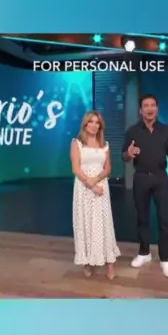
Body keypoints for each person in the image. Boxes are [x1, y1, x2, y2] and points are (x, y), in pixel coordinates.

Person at [122, 94, 168, 277]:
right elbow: (124, 156)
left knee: (164, 220)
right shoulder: (132, 132)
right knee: (142, 218)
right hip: (141, 177)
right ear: (140, 110)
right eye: (146, 106)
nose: (149, 108)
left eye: (153, 105)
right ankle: (144, 252)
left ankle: (165, 259)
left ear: (157, 108)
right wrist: (128, 153)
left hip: (160, 177)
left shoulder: (166, 130)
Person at [71, 110, 120, 280]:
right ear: (85, 125)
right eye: (90, 122)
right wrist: (90, 184)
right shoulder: (77, 143)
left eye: (97, 122)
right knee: (85, 224)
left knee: (104, 225)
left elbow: (107, 168)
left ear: (100, 126)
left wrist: (96, 181)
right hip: (83, 188)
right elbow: (75, 169)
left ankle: (110, 263)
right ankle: (88, 261)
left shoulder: (104, 144)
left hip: (101, 187)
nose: (94, 125)